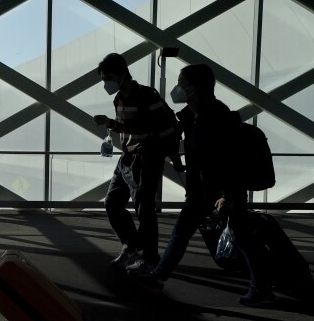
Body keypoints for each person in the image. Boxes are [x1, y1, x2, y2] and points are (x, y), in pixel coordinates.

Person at [128, 63, 276, 306]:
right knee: (189, 232)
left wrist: (228, 196)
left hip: (221, 191)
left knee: (239, 236)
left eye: (181, 84)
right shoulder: (194, 116)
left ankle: (262, 287)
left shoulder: (216, 116)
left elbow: (229, 159)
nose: (177, 89)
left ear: (194, 88)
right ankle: (159, 276)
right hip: (204, 190)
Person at [92, 53, 181, 272]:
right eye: (104, 79)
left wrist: (161, 149)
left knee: (145, 208)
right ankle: (133, 247)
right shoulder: (118, 99)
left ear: (123, 74)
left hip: (147, 158)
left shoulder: (147, 96)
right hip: (127, 157)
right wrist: (110, 123)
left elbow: (166, 126)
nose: (106, 83)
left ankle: (149, 258)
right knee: (112, 202)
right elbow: (126, 127)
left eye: (109, 78)